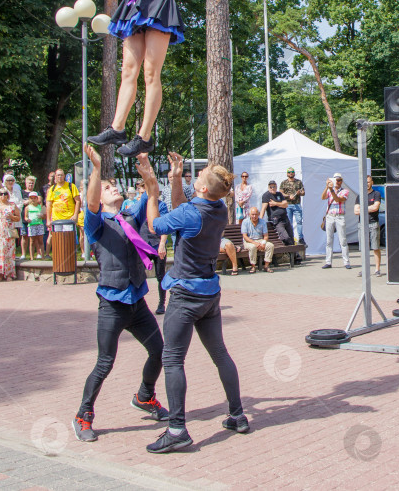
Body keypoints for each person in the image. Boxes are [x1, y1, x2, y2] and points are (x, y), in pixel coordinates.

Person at [87, 0, 278, 157]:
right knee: (128, 72)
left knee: (151, 73)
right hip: (136, 4)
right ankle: (117, 127)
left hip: (158, 4)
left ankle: (143, 136)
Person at [137, 152, 249, 454]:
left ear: (201, 189)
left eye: (197, 177)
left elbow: (157, 225)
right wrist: (175, 177)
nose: (194, 177)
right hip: (209, 294)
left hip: (186, 295)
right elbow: (181, 211)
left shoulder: (193, 212)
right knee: (221, 355)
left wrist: (152, 191)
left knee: (172, 360)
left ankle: (177, 430)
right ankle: (237, 416)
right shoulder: (216, 208)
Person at [72, 143, 169, 444]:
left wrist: (148, 169)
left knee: (160, 351)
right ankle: (83, 415)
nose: (113, 188)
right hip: (112, 305)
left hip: (137, 302)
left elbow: (151, 195)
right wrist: (97, 170)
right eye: (108, 187)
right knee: (105, 362)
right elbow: (90, 203)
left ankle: (144, 396)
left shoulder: (129, 218)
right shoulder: (96, 223)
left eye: (114, 185)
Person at [46, 169, 80, 255]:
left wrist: (75, 215)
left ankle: (69, 255)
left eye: (61, 175)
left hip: (69, 218)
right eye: (58, 175)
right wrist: (48, 220)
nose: (59, 177)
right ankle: (59, 255)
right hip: (56, 219)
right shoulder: (52, 189)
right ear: (55, 177)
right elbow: (49, 205)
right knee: (58, 239)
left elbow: (78, 201)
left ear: (64, 176)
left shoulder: (71, 186)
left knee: (69, 238)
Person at [321, 173, 351, 269]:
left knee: (343, 240)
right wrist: (327, 187)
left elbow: (338, 199)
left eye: (339, 180)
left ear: (341, 181)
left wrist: (331, 190)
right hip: (330, 216)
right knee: (329, 240)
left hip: (339, 216)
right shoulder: (330, 190)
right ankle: (328, 261)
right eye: (336, 180)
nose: (337, 182)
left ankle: (346, 262)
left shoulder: (345, 191)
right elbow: (322, 197)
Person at [354, 175, 381, 276]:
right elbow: (355, 211)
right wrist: (369, 208)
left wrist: (363, 208)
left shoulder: (376, 194)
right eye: (365, 182)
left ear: (372, 182)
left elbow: (376, 207)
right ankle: (364, 269)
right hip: (362, 224)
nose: (367, 184)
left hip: (373, 223)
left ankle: (377, 269)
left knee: (375, 247)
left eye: (368, 182)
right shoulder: (360, 196)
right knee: (363, 248)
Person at [241, 206, 274, 273]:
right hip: (249, 241)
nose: (254, 216)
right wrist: (254, 243)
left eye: (256, 214)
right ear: (249, 214)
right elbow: (245, 236)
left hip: (260, 240)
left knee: (270, 246)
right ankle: (253, 267)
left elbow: (266, 236)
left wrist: (264, 243)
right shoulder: (245, 222)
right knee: (253, 247)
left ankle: (266, 266)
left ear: (258, 214)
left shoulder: (262, 222)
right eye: (252, 214)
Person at [260, 181, 294, 246]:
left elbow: (286, 204)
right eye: (271, 187)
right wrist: (260, 221)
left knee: (291, 237)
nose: (272, 188)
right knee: (286, 237)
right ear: (268, 187)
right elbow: (263, 209)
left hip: (285, 218)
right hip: (277, 220)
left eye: (274, 187)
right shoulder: (266, 195)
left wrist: (275, 203)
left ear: (276, 187)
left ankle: (295, 254)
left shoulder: (279, 194)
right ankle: (287, 253)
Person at [279, 167, 305, 245]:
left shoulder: (298, 182)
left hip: (296, 204)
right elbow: (281, 193)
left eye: (292, 172)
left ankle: (300, 238)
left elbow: (303, 192)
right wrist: (288, 196)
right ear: (287, 173)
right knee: (289, 222)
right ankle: (290, 238)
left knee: (299, 221)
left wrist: (299, 193)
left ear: (294, 173)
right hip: (288, 205)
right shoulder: (284, 182)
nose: (291, 173)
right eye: (289, 172)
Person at [24, 192, 45, 259]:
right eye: (31, 198)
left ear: (37, 198)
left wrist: (42, 216)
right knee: (32, 241)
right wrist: (27, 220)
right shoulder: (27, 207)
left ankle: (43, 256)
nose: (33, 199)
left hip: (39, 224)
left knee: (40, 240)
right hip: (31, 225)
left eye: (34, 198)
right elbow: (25, 217)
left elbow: (44, 216)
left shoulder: (40, 206)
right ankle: (32, 257)